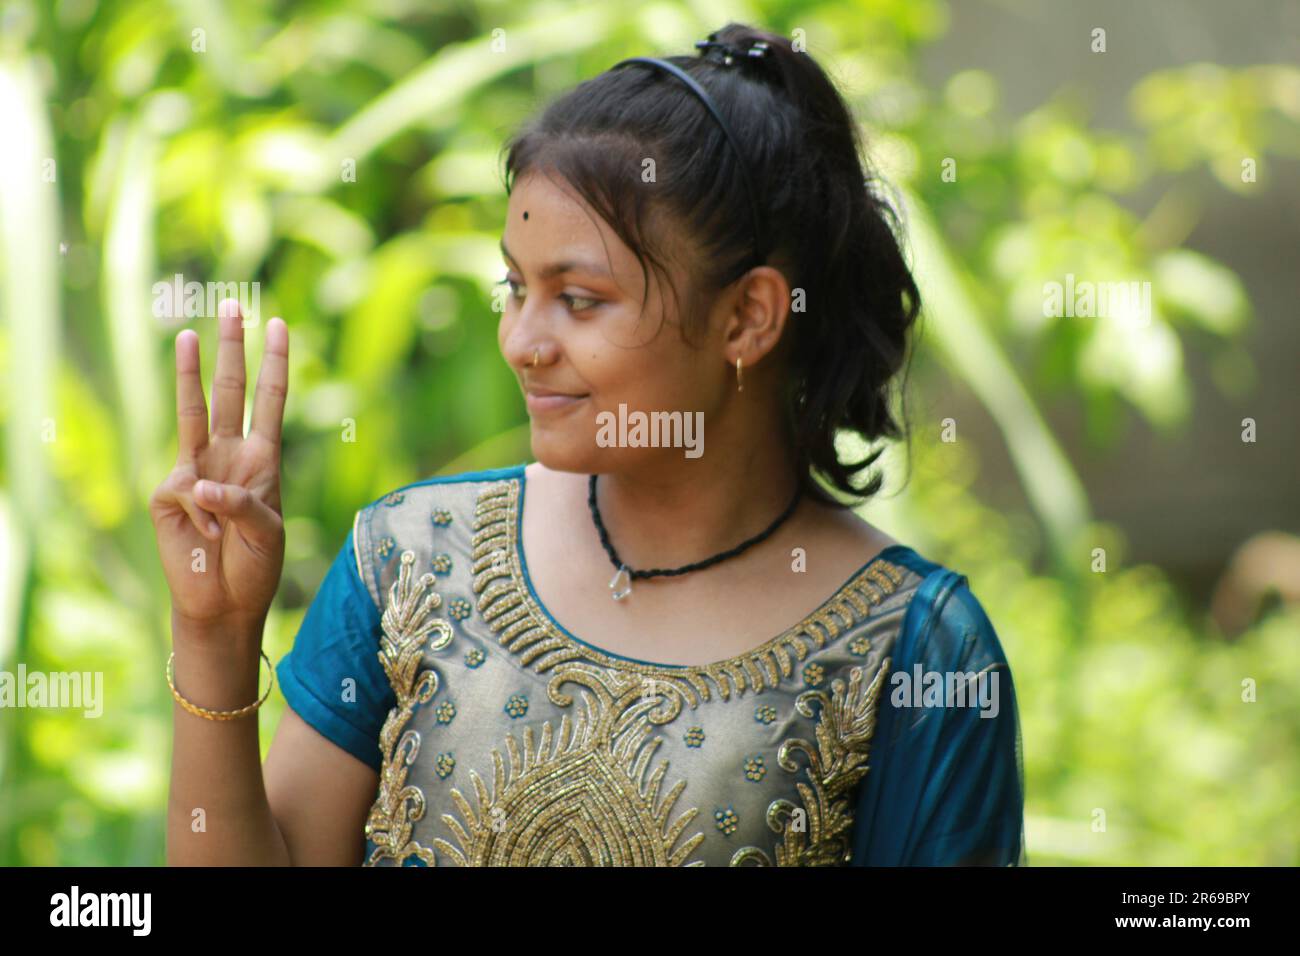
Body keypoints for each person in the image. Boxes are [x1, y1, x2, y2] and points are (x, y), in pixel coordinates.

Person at [149, 23, 1024, 867]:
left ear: (749, 316)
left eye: (580, 299)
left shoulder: (915, 654)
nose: (522, 341)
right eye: (516, 286)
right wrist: (216, 635)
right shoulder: (410, 563)